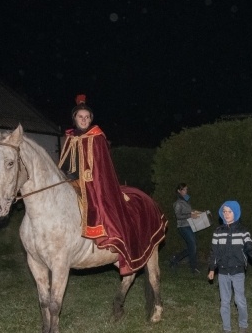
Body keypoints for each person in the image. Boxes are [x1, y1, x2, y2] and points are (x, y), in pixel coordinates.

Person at [57, 95, 166, 275]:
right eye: (80, 117)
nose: (83, 120)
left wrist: (89, 178)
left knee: (105, 208)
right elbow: (65, 164)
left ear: (90, 119)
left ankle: (114, 239)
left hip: (94, 184)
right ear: (75, 119)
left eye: (87, 117)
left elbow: (103, 167)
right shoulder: (70, 138)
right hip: (72, 183)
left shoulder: (97, 137)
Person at [207, 200, 252, 333]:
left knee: (240, 300)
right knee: (224, 301)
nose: (227, 214)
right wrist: (212, 269)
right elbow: (214, 252)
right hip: (222, 272)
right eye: (224, 211)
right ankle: (226, 328)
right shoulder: (218, 232)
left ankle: (243, 326)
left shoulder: (243, 231)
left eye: (229, 212)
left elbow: (249, 247)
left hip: (238, 271)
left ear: (236, 213)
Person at [169, 183, 201, 273]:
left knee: (192, 246)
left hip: (190, 225)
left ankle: (175, 259)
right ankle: (194, 268)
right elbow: (178, 216)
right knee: (193, 246)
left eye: (186, 189)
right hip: (183, 226)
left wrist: (196, 212)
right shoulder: (178, 203)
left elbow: (188, 212)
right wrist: (190, 215)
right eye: (184, 189)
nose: (186, 191)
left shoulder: (186, 200)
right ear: (179, 191)